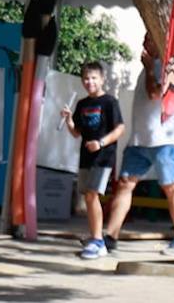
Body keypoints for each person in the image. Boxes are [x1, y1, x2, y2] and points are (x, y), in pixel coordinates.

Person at [101, 36, 174, 256]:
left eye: (149, 38)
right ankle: (110, 236)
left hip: (164, 141)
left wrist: (151, 68)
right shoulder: (149, 66)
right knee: (124, 184)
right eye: (144, 38)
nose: (144, 42)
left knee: (171, 188)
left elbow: (154, 94)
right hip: (140, 140)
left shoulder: (168, 67)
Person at [60, 62, 124, 260]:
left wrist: (101, 142)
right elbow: (76, 133)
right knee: (88, 198)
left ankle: (98, 241)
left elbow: (120, 129)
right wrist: (70, 120)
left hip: (103, 157)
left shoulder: (109, 102)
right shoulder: (82, 104)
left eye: (94, 78)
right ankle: (96, 238)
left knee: (91, 195)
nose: (90, 82)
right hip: (86, 157)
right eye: (86, 78)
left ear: (102, 79)